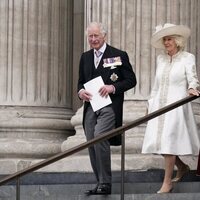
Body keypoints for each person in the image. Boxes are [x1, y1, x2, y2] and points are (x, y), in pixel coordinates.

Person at [77, 22, 137, 195]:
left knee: (100, 136)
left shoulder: (118, 55)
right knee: (91, 142)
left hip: (110, 106)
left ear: (104, 36)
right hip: (90, 106)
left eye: (96, 36)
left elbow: (131, 80)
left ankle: (106, 183)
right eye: (90, 36)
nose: (93, 39)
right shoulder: (85, 57)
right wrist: (80, 92)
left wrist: (113, 87)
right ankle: (99, 182)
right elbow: (80, 82)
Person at [142, 23, 200, 194]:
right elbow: (156, 85)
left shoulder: (187, 57)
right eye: (164, 39)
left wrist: (192, 87)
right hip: (159, 105)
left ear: (177, 41)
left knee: (168, 142)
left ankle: (167, 182)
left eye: (169, 39)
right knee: (157, 142)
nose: (166, 42)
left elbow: (193, 78)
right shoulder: (160, 59)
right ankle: (181, 167)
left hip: (176, 105)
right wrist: (149, 103)